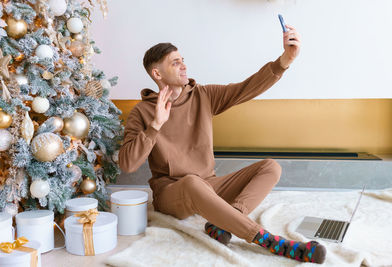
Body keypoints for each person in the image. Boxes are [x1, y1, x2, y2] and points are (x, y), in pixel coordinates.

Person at [119, 24, 326, 264]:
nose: (184, 65)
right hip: (172, 194)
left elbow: (245, 88)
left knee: (270, 167)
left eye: (182, 59)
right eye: (175, 62)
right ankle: (269, 241)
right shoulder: (142, 112)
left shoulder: (203, 96)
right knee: (191, 182)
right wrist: (155, 125)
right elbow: (128, 164)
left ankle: (227, 221)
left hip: (209, 185)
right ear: (157, 74)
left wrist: (284, 61)